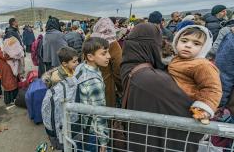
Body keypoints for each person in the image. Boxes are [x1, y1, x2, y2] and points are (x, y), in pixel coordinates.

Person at [121, 23, 202, 152]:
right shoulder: (152, 79)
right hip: (157, 143)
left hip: (142, 140)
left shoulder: (130, 65)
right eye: (158, 44)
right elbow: (189, 112)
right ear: (151, 46)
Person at [168, 25, 222, 123]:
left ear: (204, 47)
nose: (188, 45)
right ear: (176, 42)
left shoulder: (202, 65)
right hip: (174, 105)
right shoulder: (177, 59)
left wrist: (203, 108)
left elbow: (212, 88)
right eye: (184, 41)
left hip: (190, 110)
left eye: (196, 43)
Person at [75, 37, 111, 152]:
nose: (109, 56)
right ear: (90, 57)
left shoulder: (81, 67)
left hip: (81, 127)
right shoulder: (94, 83)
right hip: (92, 133)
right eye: (104, 53)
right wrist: (104, 141)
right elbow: (99, 115)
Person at [41, 47, 79, 150]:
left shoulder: (70, 71)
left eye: (77, 60)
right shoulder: (58, 80)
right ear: (64, 64)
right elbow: (56, 110)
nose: (77, 63)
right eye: (74, 61)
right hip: (63, 121)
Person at [91, 17, 123, 107]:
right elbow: (118, 69)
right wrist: (121, 89)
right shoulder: (113, 43)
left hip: (89, 81)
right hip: (105, 84)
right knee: (106, 112)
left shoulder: (90, 40)